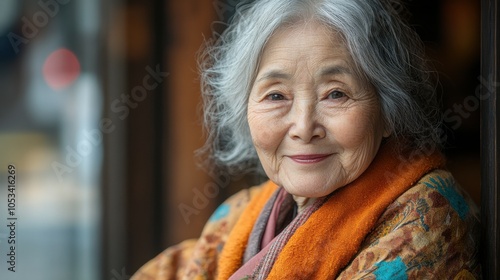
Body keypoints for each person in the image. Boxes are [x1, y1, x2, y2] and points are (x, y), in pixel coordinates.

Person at [132, 0, 481, 278]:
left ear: (387, 110)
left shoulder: (426, 217)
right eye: (276, 96)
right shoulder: (238, 216)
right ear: (245, 110)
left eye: (335, 94)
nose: (303, 127)